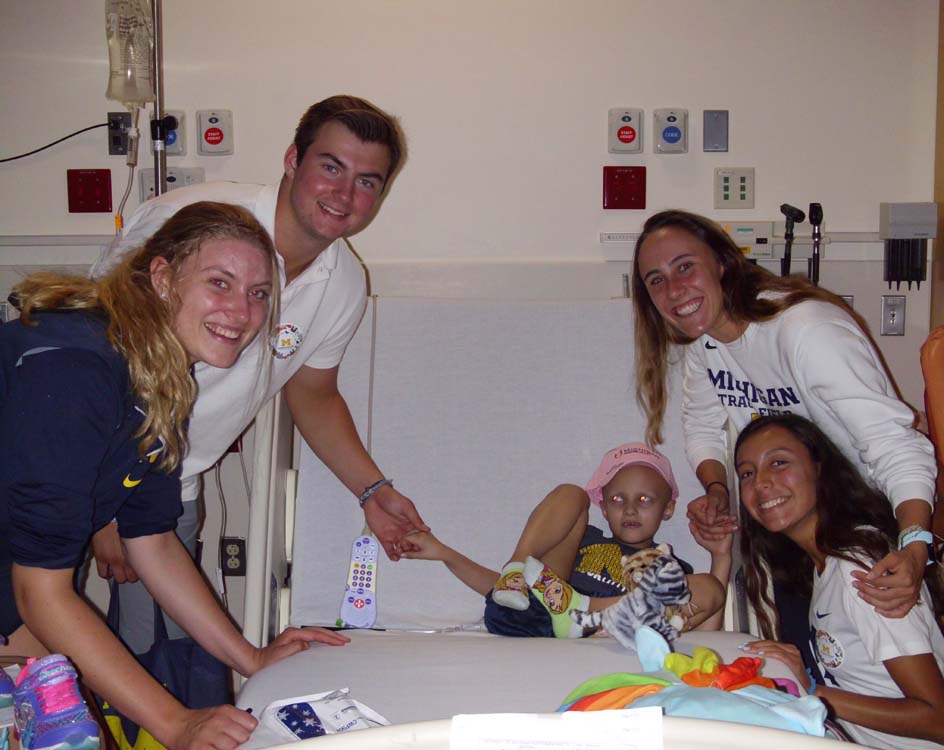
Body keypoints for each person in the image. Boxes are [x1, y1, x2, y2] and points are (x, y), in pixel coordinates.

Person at [0, 202, 348, 750]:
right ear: (162, 278)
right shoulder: (75, 366)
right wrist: (177, 723)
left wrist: (250, 658)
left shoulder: (161, 378)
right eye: (219, 282)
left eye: (259, 293)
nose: (242, 311)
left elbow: (153, 540)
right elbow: (40, 591)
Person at [89, 95, 429, 654]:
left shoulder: (343, 283)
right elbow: (100, 349)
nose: (344, 194)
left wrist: (371, 490)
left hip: (171, 484)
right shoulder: (190, 219)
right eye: (331, 167)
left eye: (367, 181)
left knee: (166, 656)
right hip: (90, 469)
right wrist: (103, 510)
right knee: (39, 621)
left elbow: (313, 395)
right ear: (293, 160)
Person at [630, 209, 944, 636]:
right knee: (808, 654)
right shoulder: (705, 343)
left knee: (887, 656)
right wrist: (717, 489)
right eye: (656, 280)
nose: (674, 289)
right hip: (809, 524)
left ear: (722, 262)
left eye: (685, 266)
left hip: (878, 512)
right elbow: (701, 425)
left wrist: (914, 546)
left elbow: (893, 444)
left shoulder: (805, 331)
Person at [734, 414, 944, 749]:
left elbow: (941, 722)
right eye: (747, 473)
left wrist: (811, 690)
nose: (761, 482)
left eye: (779, 462)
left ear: (819, 468)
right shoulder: (823, 567)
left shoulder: (858, 565)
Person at [403, 443, 731, 637]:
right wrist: (445, 554)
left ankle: (589, 615)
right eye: (617, 499)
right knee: (572, 494)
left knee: (706, 588)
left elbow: (709, 630)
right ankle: (516, 569)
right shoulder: (583, 539)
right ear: (604, 507)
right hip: (540, 612)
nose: (630, 509)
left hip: (602, 630)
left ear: (668, 508)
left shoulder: (670, 567)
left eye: (645, 500)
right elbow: (498, 591)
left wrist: (721, 556)